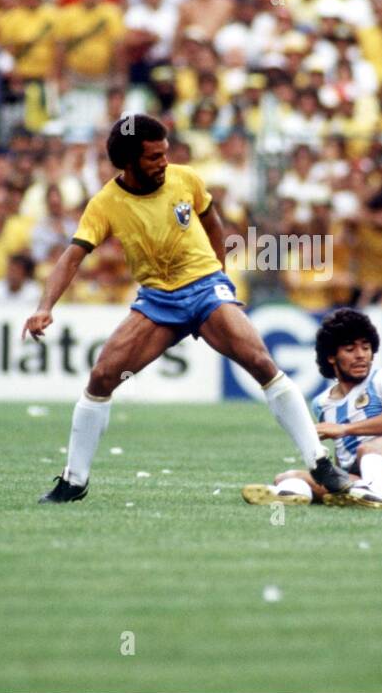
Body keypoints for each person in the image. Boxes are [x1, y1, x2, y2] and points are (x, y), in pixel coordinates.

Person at [23, 114, 360, 504]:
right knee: (101, 377)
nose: (164, 162)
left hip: (204, 289)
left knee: (261, 363)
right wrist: (45, 306)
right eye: (153, 157)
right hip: (158, 301)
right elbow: (71, 257)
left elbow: (212, 221)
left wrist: (220, 277)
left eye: (165, 153)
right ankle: (74, 481)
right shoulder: (106, 204)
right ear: (129, 162)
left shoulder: (186, 179)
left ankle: (319, 463)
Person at [242, 308, 382, 509]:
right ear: (331, 357)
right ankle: (290, 494)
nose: (361, 355)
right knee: (287, 476)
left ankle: (373, 493)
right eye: (350, 349)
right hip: (357, 475)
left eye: (366, 347)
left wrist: (343, 429)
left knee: (369, 449)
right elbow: (342, 457)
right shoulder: (322, 404)